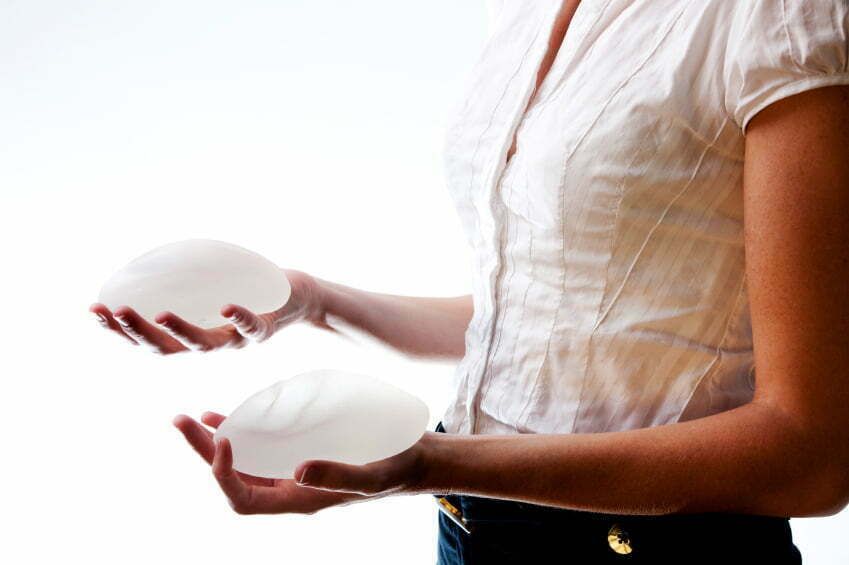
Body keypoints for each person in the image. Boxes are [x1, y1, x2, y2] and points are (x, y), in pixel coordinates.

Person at [91, 1, 849, 562]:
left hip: (653, 548)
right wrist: (313, 301)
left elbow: (810, 456)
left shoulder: (778, 15)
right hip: (471, 528)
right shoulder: (525, 9)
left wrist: (429, 463)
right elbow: (542, 318)